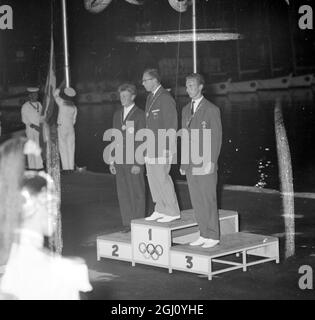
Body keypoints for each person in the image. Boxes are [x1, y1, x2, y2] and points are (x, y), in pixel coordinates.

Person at [0, 171, 92, 300]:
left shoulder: (10, 253)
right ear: (30, 205)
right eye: (50, 204)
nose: (55, 211)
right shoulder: (65, 271)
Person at [180, 73, 222, 248]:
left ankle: (213, 235)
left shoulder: (212, 109)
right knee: (196, 200)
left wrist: (211, 161)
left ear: (200, 87)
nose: (188, 89)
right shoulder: (184, 110)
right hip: (190, 162)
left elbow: (217, 137)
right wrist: (183, 162)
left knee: (208, 199)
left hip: (205, 161)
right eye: (187, 86)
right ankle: (203, 233)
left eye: (191, 85)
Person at [142, 68, 180, 223]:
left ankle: (172, 210)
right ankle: (160, 208)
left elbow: (172, 124)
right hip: (151, 144)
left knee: (162, 177)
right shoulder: (150, 98)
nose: (143, 83)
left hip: (162, 145)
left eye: (145, 80)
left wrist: (169, 149)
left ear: (155, 80)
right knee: (152, 177)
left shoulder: (165, 97)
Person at [109, 83, 146, 232]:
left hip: (133, 161)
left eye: (125, 96)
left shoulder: (140, 115)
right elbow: (114, 137)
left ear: (133, 96)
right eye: (121, 96)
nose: (122, 98)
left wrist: (139, 162)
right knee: (123, 193)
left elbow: (143, 140)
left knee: (136, 192)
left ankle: (138, 223)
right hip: (119, 160)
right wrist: (111, 160)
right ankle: (127, 223)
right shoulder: (117, 114)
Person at [53, 85, 77, 173]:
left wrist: (60, 87)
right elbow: (74, 120)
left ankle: (66, 168)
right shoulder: (74, 107)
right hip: (71, 128)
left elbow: (55, 94)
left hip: (62, 127)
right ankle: (71, 168)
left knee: (63, 147)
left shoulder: (62, 103)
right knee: (71, 147)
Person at [21, 87, 44, 170]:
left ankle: (39, 166)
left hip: (39, 129)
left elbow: (41, 117)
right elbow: (24, 119)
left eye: (36, 95)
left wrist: (42, 124)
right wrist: (33, 126)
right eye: (33, 95)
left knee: (38, 147)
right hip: (31, 129)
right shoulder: (25, 106)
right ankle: (32, 167)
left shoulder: (39, 104)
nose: (35, 96)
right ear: (30, 96)